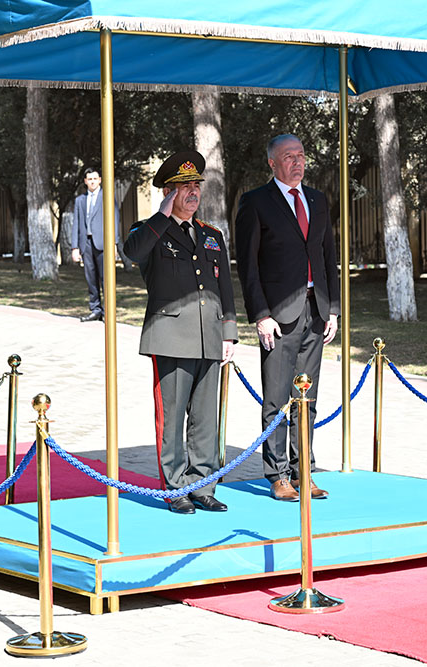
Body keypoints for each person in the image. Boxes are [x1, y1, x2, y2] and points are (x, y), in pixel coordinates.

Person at [123, 150, 237, 514]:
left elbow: (225, 290)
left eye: (196, 185)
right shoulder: (149, 231)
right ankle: (174, 487)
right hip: (170, 337)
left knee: (206, 419)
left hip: (208, 338)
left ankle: (202, 485)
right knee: (171, 420)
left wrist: (229, 333)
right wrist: (163, 214)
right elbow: (133, 253)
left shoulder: (211, 235)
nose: (193, 191)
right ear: (168, 192)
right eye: (184, 186)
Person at [234, 134, 340, 502]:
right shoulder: (255, 202)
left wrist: (334, 309)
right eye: (288, 157)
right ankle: (278, 475)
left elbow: (329, 257)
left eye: (301, 155)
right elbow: (248, 266)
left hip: (316, 312)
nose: (297, 162)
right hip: (279, 317)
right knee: (277, 400)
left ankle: (304, 471)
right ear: (272, 163)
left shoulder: (317, 200)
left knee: (306, 399)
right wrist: (261, 315)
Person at [71, 167, 120, 322]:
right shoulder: (80, 200)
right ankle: (95, 309)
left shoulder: (107, 197)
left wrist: (114, 243)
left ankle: (108, 312)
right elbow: (76, 224)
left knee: (106, 278)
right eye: (89, 179)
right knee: (91, 279)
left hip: (103, 243)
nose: (92, 181)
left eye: (95, 179)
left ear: (100, 180)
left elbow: (114, 221)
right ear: (85, 181)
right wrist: (75, 247)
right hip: (86, 244)